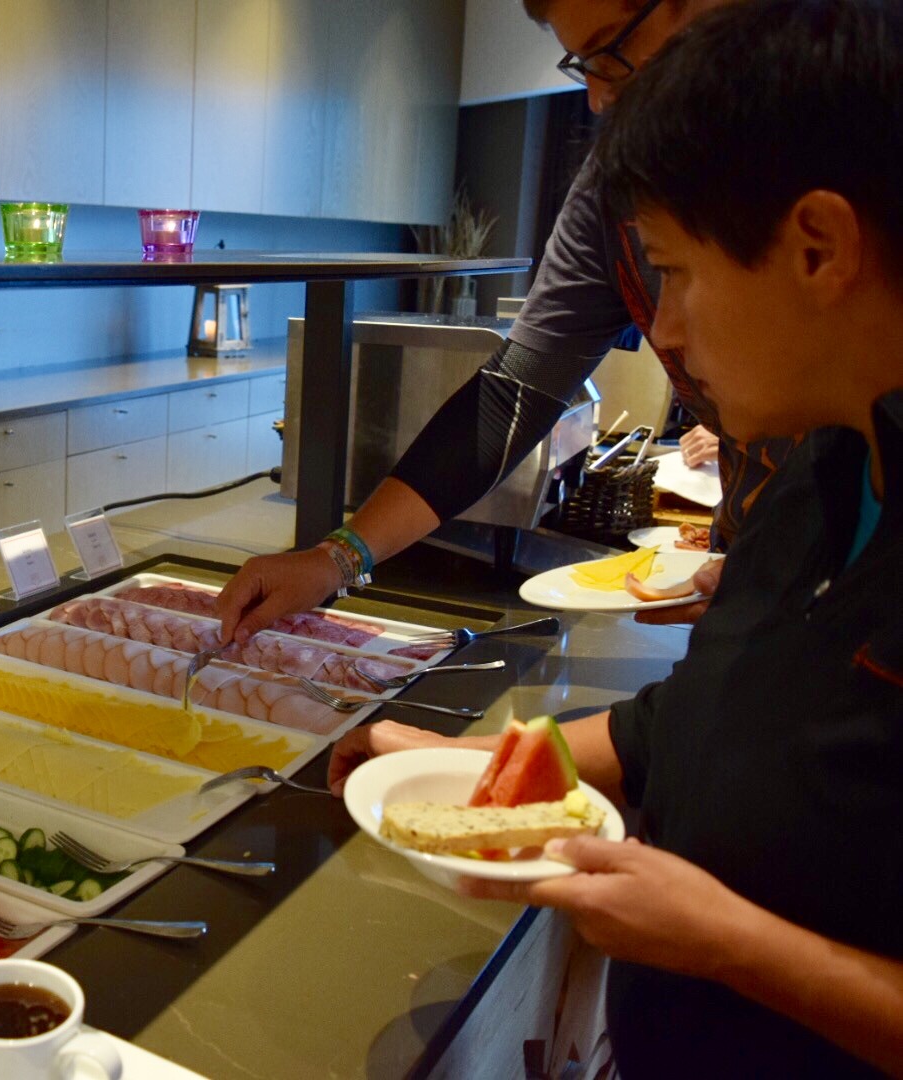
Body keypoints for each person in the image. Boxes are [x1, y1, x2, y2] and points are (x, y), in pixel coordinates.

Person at [334, 1, 903, 1073]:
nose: (664, 331)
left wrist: (737, 946)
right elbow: (684, 727)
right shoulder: (813, 473)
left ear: (819, 246)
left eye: (674, 272)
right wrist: (461, 764)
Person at [218, 0, 794, 639]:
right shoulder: (611, 189)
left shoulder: (839, 130)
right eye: (582, 64)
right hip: (766, 563)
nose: (598, 98)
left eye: (610, 50)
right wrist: (338, 557)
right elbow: (511, 397)